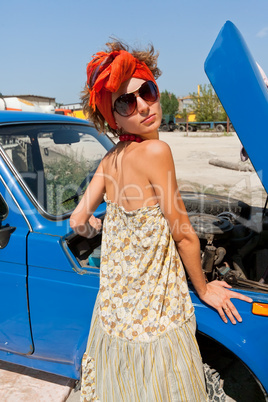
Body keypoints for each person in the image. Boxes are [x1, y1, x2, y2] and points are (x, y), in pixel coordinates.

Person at [70, 41, 252, 402]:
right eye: (126, 102)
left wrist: (108, 230)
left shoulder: (110, 161)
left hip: (112, 318)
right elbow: (184, 235)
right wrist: (203, 289)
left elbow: (78, 220)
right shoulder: (157, 150)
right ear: (114, 118)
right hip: (155, 319)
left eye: (147, 91)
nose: (143, 105)